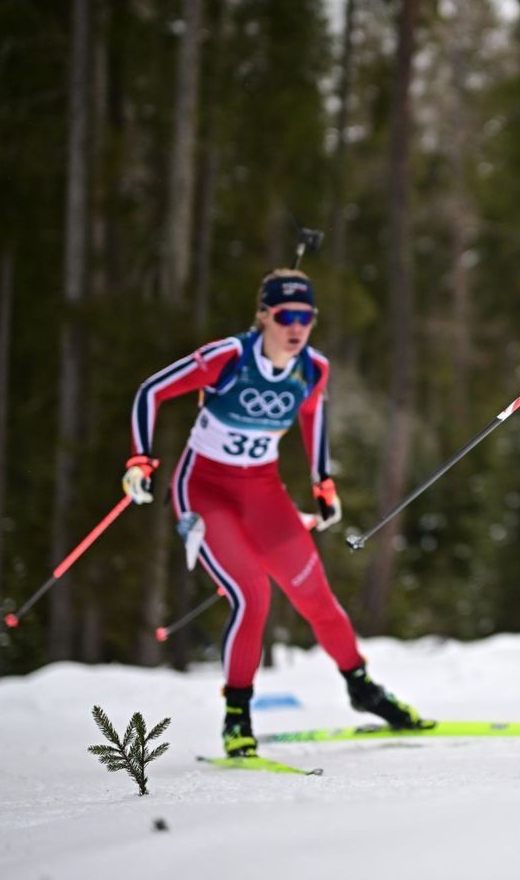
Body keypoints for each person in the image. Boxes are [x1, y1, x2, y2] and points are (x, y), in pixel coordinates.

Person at [122, 268, 423, 756]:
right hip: (204, 491)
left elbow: (312, 416)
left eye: (306, 316)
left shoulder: (312, 369)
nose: (296, 326)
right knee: (252, 595)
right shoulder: (228, 358)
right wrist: (140, 458)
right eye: (285, 315)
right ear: (264, 316)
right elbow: (150, 391)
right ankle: (237, 716)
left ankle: (362, 688)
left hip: (263, 491)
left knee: (317, 598)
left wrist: (322, 482)